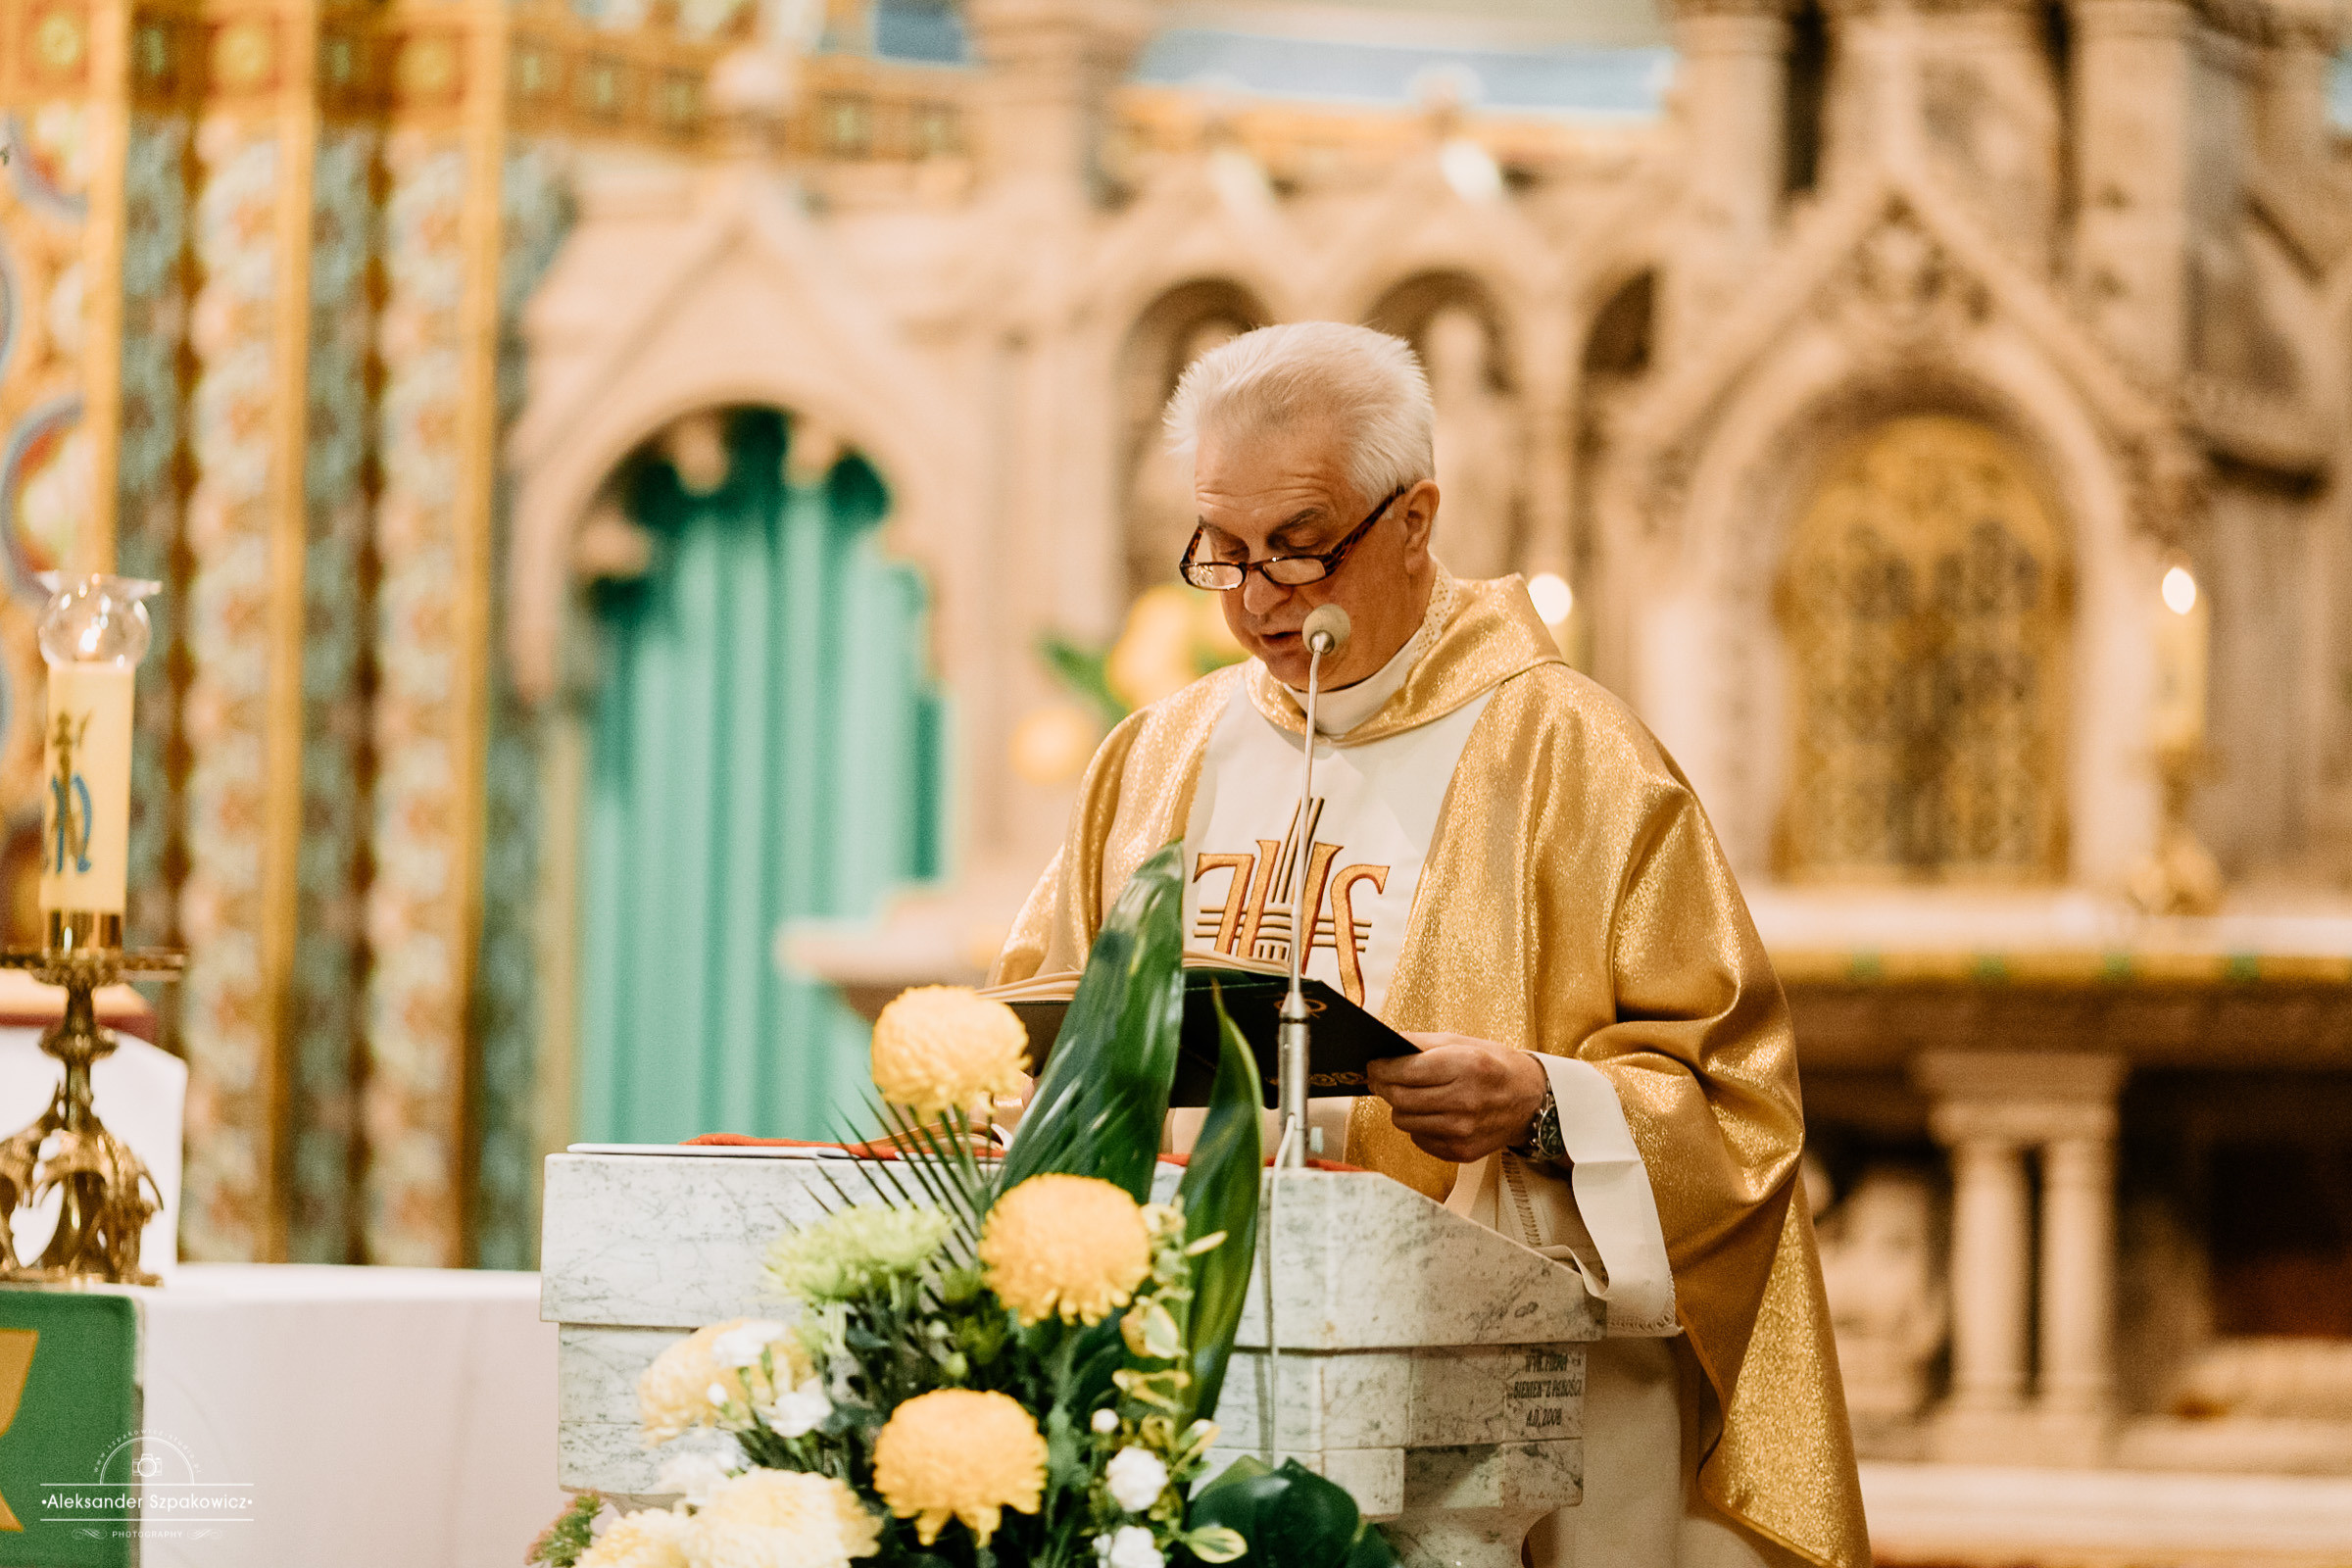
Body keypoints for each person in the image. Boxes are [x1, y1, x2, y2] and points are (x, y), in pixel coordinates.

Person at [991, 321, 1867, 1568]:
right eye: (1221, 553)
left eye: (1299, 550)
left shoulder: (1574, 755)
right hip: (1179, 1384)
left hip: (1481, 1407)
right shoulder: (1158, 755)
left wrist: (1543, 1103)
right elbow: (1038, 1037)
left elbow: (1737, 1108)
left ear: (1415, 519)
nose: (1255, 599)